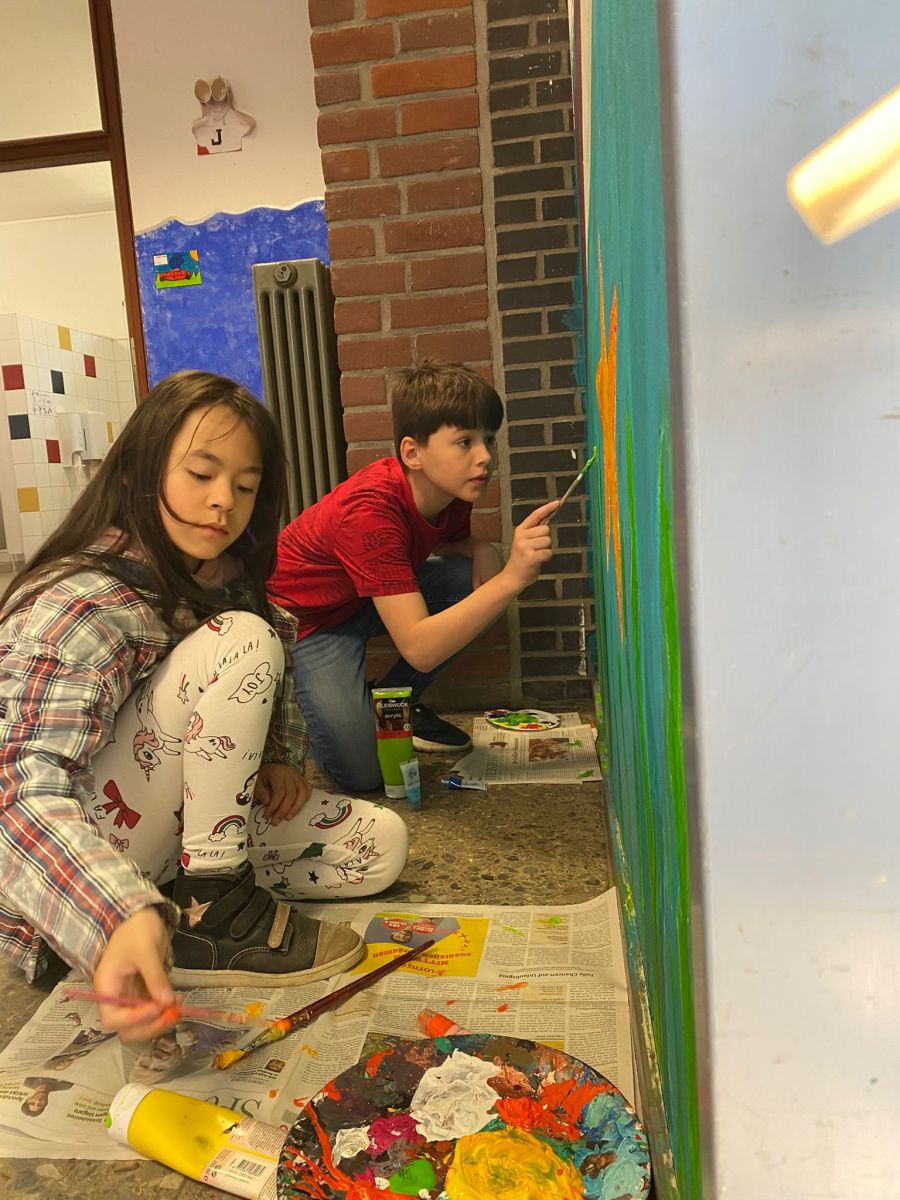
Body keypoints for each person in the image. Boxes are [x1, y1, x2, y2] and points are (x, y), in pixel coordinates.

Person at [0, 371, 408, 1045]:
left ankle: (193, 908)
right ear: (136, 473)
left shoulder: (223, 578)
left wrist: (277, 758)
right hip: (72, 886)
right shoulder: (79, 604)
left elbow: (247, 687)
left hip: (168, 845)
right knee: (242, 639)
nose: (223, 502)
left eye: (246, 487)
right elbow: (15, 789)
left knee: (377, 848)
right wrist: (114, 916)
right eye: (201, 474)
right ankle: (206, 907)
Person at [269, 361, 557, 794]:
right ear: (412, 453)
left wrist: (484, 549)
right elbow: (421, 650)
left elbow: (453, 546)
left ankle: (395, 698)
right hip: (308, 625)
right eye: (464, 442)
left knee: (473, 581)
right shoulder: (370, 513)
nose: (484, 457)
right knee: (364, 775)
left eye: (488, 439)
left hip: (360, 599)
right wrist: (512, 578)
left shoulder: (452, 488)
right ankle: (294, 707)